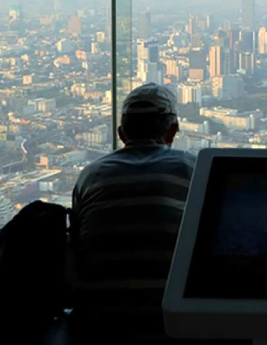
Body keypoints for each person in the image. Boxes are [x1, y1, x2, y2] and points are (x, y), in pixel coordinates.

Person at [71, 82, 195, 342]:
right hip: (173, 326)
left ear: (121, 133)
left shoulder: (91, 176)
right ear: (173, 129)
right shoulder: (193, 169)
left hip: (99, 325)